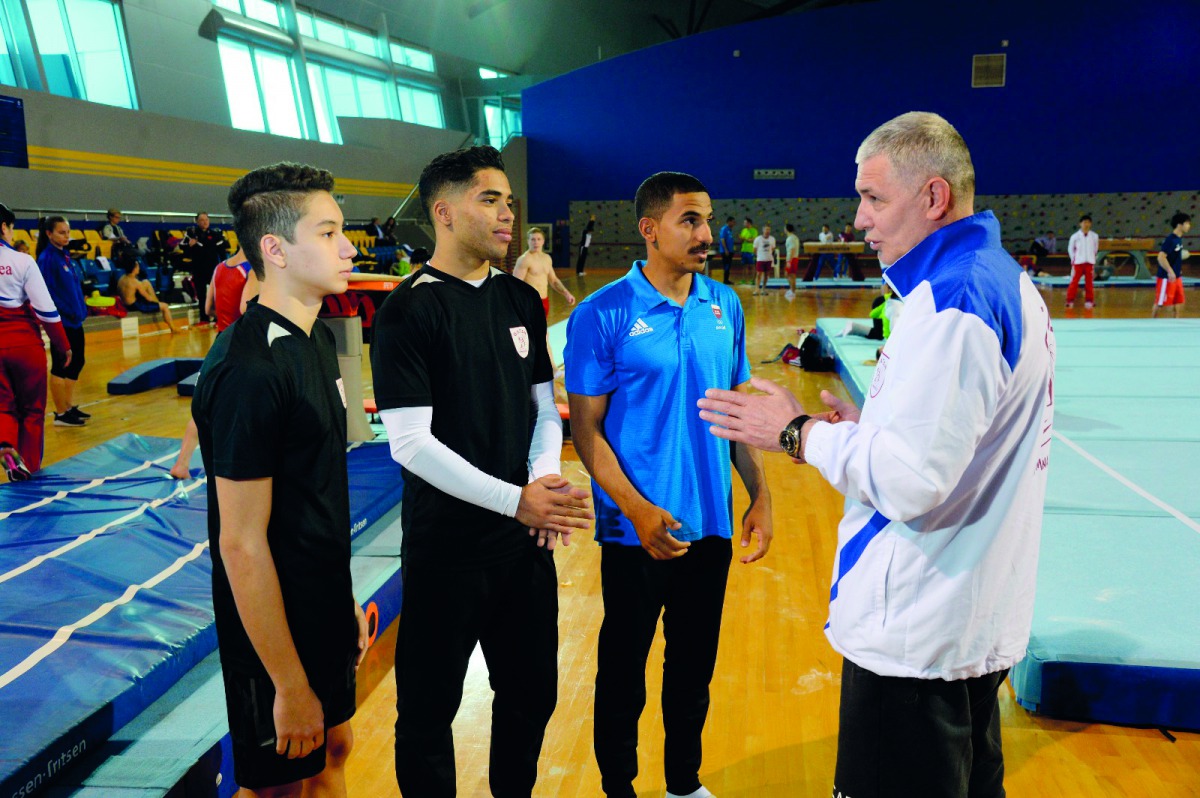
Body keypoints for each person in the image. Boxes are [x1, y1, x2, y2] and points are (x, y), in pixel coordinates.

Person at [698, 112, 1056, 798]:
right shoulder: (997, 279)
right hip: (968, 617)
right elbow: (962, 441)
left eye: (873, 198)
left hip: (921, 635)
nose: (858, 219)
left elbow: (913, 480)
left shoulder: (954, 303)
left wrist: (797, 431)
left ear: (933, 198)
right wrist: (875, 425)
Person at [370, 145, 592, 797]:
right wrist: (517, 500)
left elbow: (544, 409)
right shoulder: (408, 310)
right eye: (489, 200)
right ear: (443, 212)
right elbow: (409, 443)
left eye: (510, 202)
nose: (507, 216)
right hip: (447, 551)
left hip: (522, 548)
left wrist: (544, 483)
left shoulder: (519, 303)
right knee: (427, 716)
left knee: (531, 699)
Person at [566, 172, 770, 798]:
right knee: (623, 669)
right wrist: (637, 509)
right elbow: (587, 432)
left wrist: (759, 494)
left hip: (708, 522)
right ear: (650, 229)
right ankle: (618, 788)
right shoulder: (601, 314)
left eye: (707, 219)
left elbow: (733, 411)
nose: (706, 234)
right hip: (636, 531)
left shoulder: (724, 305)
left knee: (693, 667)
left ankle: (684, 782)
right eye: (690, 220)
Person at [191, 162, 370, 796]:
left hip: (317, 603)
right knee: (279, 787)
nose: (349, 247)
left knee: (334, 750)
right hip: (271, 632)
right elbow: (240, 545)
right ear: (275, 248)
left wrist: (337, 598)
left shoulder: (316, 339)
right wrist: (289, 683)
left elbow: (312, 492)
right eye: (328, 233)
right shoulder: (248, 373)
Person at [169, 247, 258, 480]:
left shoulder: (219, 268)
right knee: (252, 407)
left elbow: (208, 308)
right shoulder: (254, 269)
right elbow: (246, 308)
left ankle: (182, 463)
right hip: (242, 346)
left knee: (205, 407)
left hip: (219, 344)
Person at [0, 202, 72, 481]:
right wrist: (62, 344)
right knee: (32, 411)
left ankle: (6, 445)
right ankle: (29, 467)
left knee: (3, 406)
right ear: (4, 227)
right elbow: (46, 310)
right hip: (24, 346)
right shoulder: (22, 260)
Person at [36, 216, 90, 427]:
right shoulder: (47, 259)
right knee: (61, 365)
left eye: (68, 232)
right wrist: (64, 312)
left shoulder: (65, 256)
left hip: (75, 320)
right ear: (49, 234)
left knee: (78, 361)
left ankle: (68, 406)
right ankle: (60, 414)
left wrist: (81, 309)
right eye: (61, 232)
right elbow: (46, 292)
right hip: (62, 322)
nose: (66, 236)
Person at [514, 226, 575, 317]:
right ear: (528, 241)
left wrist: (566, 293)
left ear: (543, 241)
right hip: (530, 302)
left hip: (544, 301)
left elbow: (553, 280)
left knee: (542, 329)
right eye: (533, 239)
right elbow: (515, 285)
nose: (536, 242)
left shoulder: (547, 258)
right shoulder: (524, 259)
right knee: (533, 330)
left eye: (539, 239)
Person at [184, 212, 231, 325]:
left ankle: (217, 318)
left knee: (215, 294)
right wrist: (189, 245)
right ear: (197, 221)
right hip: (198, 268)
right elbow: (184, 250)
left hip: (213, 268)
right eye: (202, 220)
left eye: (206, 220)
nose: (204, 222)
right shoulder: (191, 234)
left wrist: (224, 267)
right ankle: (204, 318)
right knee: (201, 294)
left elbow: (222, 252)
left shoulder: (216, 234)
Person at [117, 258, 179, 333]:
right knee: (165, 306)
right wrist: (157, 304)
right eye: (138, 266)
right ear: (134, 269)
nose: (139, 268)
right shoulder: (135, 282)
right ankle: (173, 328)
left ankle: (158, 304)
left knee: (146, 282)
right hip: (135, 305)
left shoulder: (122, 278)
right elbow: (148, 298)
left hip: (126, 303)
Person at [1153, 211, 1190, 318]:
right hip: (1166, 277)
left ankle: (1176, 323)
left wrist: (1177, 270)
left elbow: (1174, 257)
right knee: (1160, 303)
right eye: (1187, 223)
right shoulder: (1171, 240)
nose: (1189, 226)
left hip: (1176, 276)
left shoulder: (1179, 239)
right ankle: (1152, 324)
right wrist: (1170, 271)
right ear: (1179, 225)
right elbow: (1161, 257)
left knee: (1177, 302)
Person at [1065, 214, 1099, 309]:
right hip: (1078, 262)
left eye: (1088, 222)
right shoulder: (1075, 236)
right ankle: (1069, 300)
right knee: (1074, 282)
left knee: (1089, 283)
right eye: (1084, 222)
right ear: (1080, 224)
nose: (1086, 224)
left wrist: (1093, 258)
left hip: (1089, 262)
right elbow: (1070, 249)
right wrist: (1073, 259)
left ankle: (1089, 301)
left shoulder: (1094, 236)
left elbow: (1095, 248)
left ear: (1091, 224)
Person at [752, 222, 776, 296]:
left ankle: (763, 289)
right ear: (763, 230)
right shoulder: (758, 239)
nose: (767, 231)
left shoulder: (772, 239)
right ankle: (756, 289)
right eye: (766, 229)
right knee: (759, 274)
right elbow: (755, 249)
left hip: (768, 259)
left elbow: (773, 248)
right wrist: (759, 256)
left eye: (769, 229)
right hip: (760, 259)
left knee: (766, 275)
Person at [784, 223, 801, 299]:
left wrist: (788, 261)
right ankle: (793, 291)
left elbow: (792, 249)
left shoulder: (790, 238)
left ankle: (792, 290)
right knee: (792, 275)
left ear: (786, 229)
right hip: (795, 258)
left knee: (788, 275)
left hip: (792, 259)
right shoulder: (795, 237)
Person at [717, 216, 736, 284]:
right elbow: (722, 239)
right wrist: (726, 249)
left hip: (730, 251)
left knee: (729, 265)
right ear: (729, 222)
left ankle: (727, 280)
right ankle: (725, 280)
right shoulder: (724, 229)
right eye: (733, 222)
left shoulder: (730, 229)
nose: (734, 223)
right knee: (726, 265)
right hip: (726, 251)